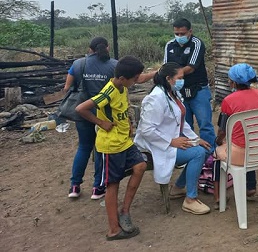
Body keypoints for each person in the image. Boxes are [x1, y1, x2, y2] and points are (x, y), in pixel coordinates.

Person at [76, 56, 148, 241]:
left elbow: (121, 110)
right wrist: (101, 122)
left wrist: (128, 123)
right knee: (112, 184)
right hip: (111, 145)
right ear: (123, 78)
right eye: (134, 79)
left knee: (140, 166)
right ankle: (114, 230)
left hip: (125, 141)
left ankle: (124, 210)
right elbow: (81, 109)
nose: (135, 82)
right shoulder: (108, 91)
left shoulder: (122, 86)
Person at [134, 63, 212, 215]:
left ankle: (178, 187)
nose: (182, 81)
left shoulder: (172, 93)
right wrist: (170, 141)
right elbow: (146, 130)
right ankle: (190, 199)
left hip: (170, 140)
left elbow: (181, 122)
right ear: (168, 78)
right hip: (156, 145)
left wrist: (196, 139)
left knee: (206, 148)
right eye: (180, 78)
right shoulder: (156, 98)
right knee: (198, 153)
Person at [64, 36, 117, 200]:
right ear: (107, 48)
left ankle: (74, 186)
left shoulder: (78, 64)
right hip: (104, 114)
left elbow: (67, 87)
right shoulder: (114, 65)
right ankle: (97, 188)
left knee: (84, 147)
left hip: (82, 112)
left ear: (90, 49)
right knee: (101, 150)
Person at [214, 63, 258, 205]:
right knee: (247, 139)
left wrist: (219, 140)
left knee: (217, 149)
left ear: (234, 82)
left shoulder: (228, 101)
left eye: (229, 79)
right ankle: (250, 186)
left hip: (239, 153)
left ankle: (218, 196)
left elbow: (222, 130)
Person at [164, 18, 216, 149]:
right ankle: (190, 154)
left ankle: (210, 155)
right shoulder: (170, 45)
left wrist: (173, 74)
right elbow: (165, 67)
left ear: (190, 31)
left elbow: (191, 67)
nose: (179, 36)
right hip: (178, 91)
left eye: (182, 33)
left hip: (198, 89)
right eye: (177, 34)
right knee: (183, 125)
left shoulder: (196, 44)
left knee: (205, 124)